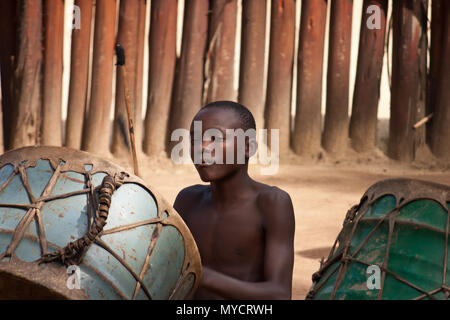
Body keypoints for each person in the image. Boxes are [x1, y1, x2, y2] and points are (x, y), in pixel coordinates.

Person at [174, 101, 295, 300]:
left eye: (215, 138)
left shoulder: (271, 203)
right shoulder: (187, 200)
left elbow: (279, 295)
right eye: (195, 139)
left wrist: (201, 275)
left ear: (248, 148)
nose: (202, 148)